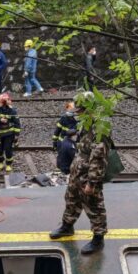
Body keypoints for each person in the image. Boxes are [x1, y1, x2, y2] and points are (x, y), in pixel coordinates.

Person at [49, 92, 109, 255]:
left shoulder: (99, 127)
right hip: (78, 168)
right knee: (71, 198)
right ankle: (67, 226)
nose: (78, 112)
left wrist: (92, 182)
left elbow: (98, 158)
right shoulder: (86, 122)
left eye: (81, 109)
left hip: (89, 172)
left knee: (93, 204)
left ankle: (98, 238)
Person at [0, 93, 21, 173]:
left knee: (8, 150)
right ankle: (0, 162)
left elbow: (17, 123)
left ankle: (8, 164)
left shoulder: (12, 111)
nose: (10, 101)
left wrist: (16, 135)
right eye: (8, 100)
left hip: (9, 134)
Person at [52, 101, 79, 174]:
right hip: (63, 142)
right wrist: (54, 142)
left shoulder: (76, 119)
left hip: (68, 141)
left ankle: (67, 171)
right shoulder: (64, 118)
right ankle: (61, 171)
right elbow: (57, 131)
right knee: (61, 157)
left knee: (66, 157)